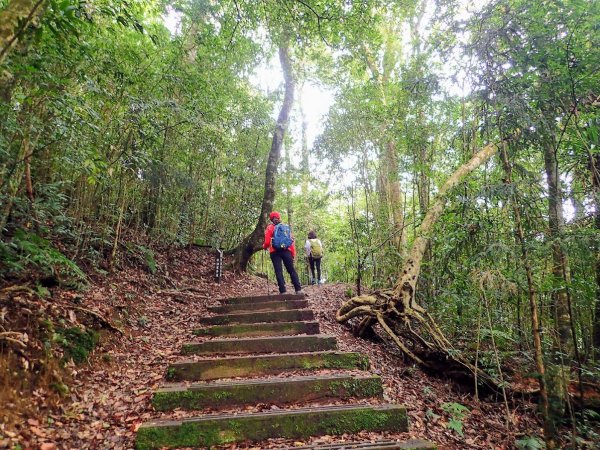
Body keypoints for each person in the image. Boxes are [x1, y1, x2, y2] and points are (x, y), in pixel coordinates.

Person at [263, 211, 302, 294]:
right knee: (291, 270)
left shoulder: (270, 227)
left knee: (278, 271)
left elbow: (266, 242)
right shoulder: (285, 227)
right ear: (279, 217)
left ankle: (283, 291)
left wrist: (265, 247)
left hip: (274, 252)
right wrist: (293, 254)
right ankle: (298, 289)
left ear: (271, 219)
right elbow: (291, 241)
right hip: (286, 251)